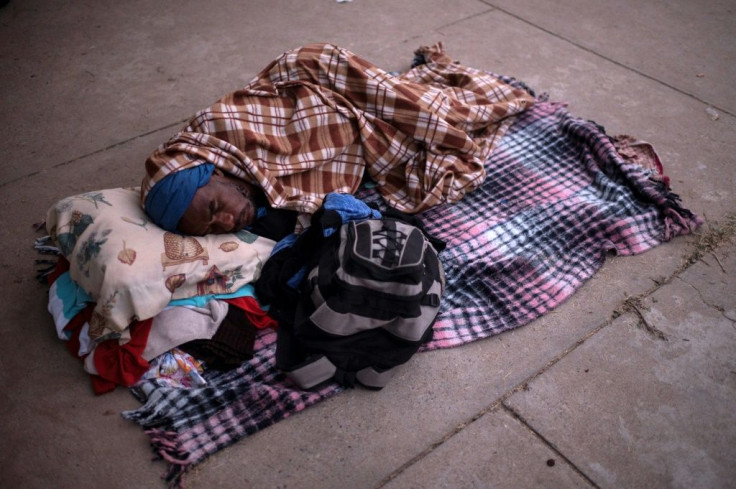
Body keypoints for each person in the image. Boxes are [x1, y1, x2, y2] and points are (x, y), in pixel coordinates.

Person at [141, 42, 534, 236]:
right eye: (211, 229)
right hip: (358, 132)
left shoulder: (221, 129)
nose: (226, 222)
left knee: (444, 117)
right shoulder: (252, 201)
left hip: (329, 85)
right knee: (419, 179)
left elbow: (305, 82)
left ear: (209, 172)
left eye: (214, 208)